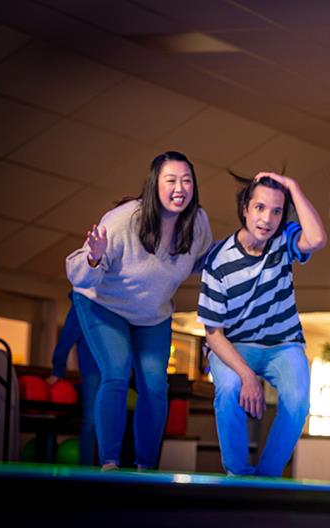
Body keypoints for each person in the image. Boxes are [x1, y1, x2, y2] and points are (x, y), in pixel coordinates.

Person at [66, 151, 213, 471]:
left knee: (155, 385)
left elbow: (203, 261)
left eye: (187, 181)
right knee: (116, 373)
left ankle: (146, 467)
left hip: (152, 313)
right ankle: (110, 462)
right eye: (171, 180)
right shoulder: (122, 221)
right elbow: (76, 274)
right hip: (103, 305)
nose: (180, 188)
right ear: (153, 185)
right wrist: (93, 257)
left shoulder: (197, 223)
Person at [198, 172, 326, 476]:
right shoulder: (218, 260)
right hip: (233, 345)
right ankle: (237, 473)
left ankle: (267, 476)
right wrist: (247, 377)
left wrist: (293, 186)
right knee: (228, 388)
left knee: (297, 399)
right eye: (259, 208)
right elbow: (213, 334)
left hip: (283, 344)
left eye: (277, 210)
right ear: (245, 208)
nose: (267, 218)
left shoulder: (284, 240)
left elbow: (318, 239)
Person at [45, 297, 100, 466]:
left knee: (110, 420)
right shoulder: (83, 301)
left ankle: (109, 467)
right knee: (92, 420)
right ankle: (87, 469)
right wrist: (58, 370)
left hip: (116, 373)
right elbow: (67, 338)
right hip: (93, 370)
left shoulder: (116, 299)